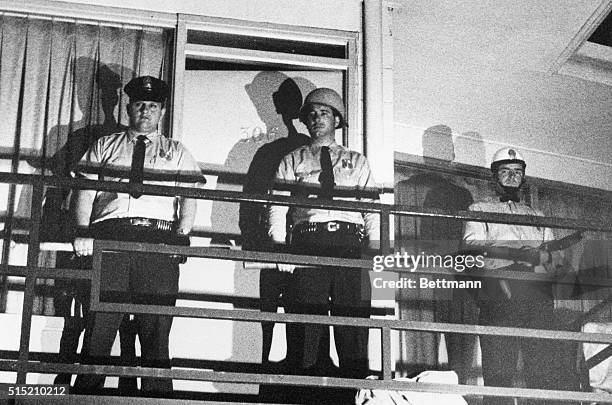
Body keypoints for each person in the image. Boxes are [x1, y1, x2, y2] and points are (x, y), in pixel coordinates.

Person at [71, 75, 203, 396]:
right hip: (111, 239)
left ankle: (158, 398)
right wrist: (83, 231)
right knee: (101, 327)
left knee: (156, 331)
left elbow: (189, 198)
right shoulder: (105, 145)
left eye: (152, 106)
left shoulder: (177, 151)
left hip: (157, 243)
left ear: (161, 112)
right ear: (129, 108)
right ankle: (87, 397)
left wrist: (182, 236)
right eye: (140, 105)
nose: (145, 111)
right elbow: (85, 192)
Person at [268, 88, 379, 403]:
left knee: (353, 326)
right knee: (308, 327)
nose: (318, 119)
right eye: (312, 114)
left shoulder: (356, 161)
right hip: (309, 241)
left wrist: (375, 255)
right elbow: (277, 206)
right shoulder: (293, 159)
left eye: (325, 113)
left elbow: (371, 211)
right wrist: (280, 249)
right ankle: (311, 398)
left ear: (337, 119)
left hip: (349, 243)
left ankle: (354, 398)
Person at [462, 148, 567, 405]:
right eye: (505, 172)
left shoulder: (538, 216)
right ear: (494, 177)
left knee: (541, 368)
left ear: (523, 178)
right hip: (500, 291)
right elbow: (472, 249)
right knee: (499, 370)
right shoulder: (478, 208)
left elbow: (553, 261)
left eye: (517, 173)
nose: (511, 178)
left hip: (536, 294)